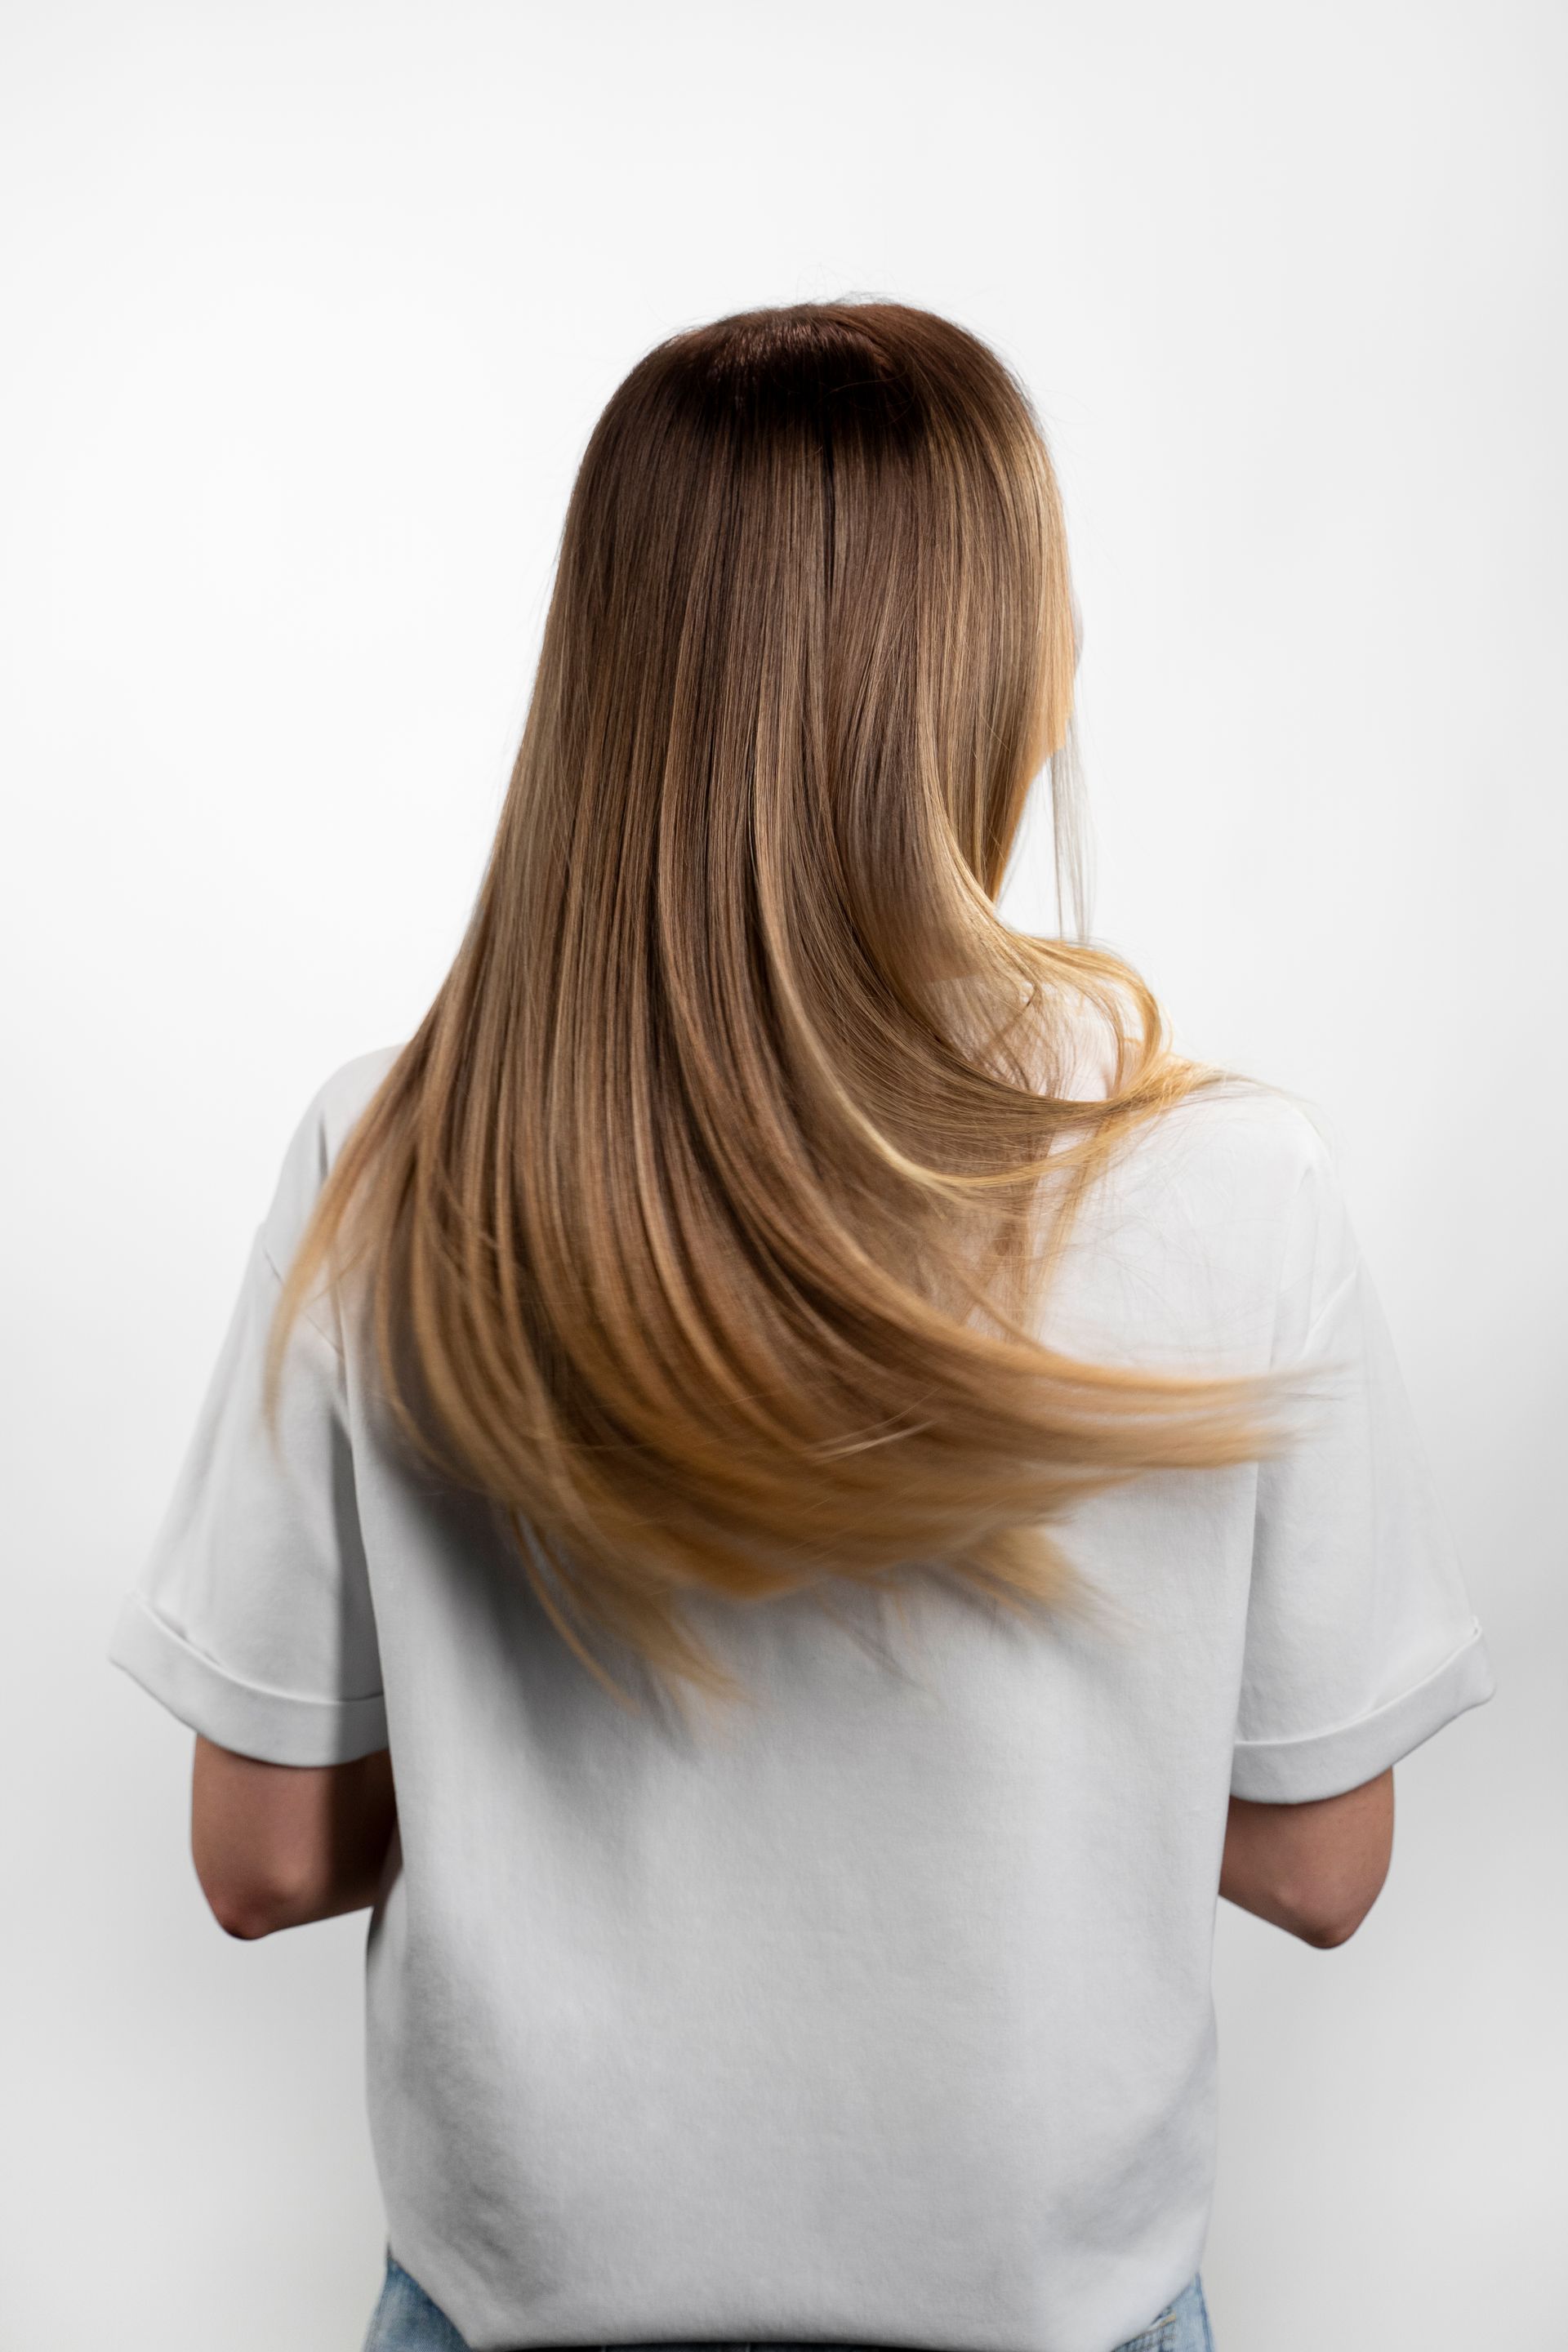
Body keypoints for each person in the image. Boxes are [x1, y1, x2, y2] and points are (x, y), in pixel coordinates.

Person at [107, 301, 1494, 2352]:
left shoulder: (390, 1153)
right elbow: (1318, 1865)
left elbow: (260, 1850)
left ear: (607, 666)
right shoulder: (1226, 1182)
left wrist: (549, 1733)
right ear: (1010, 665)